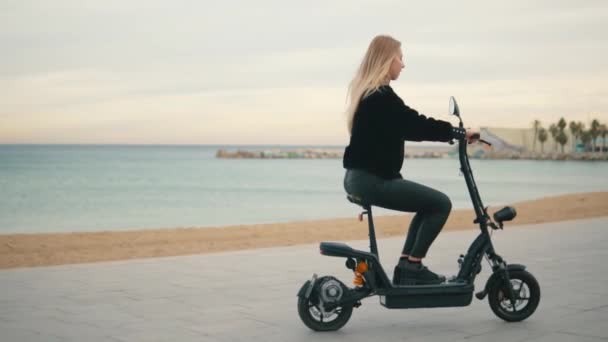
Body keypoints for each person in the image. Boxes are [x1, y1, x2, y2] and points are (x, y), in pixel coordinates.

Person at [342, 35, 478, 285]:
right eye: (400, 58)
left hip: (363, 178)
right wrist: (458, 133)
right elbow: (415, 124)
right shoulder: (380, 97)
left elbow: (407, 126)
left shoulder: (372, 95)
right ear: (387, 59)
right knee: (440, 204)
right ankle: (413, 267)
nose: (403, 64)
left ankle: (408, 265)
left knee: (427, 204)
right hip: (370, 180)